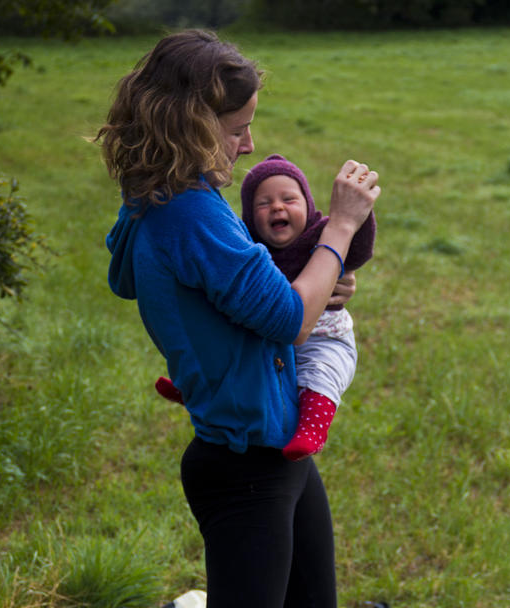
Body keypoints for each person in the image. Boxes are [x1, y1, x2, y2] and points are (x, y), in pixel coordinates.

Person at [97, 28, 380, 608]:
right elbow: (287, 318)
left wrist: (245, 275)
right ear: (188, 122)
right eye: (235, 128)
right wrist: (335, 227)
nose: (248, 146)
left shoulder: (156, 203)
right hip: (241, 466)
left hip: (278, 453)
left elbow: (127, 276)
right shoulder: (186, 214)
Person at [156, 154, 376, 461]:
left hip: (324, 334)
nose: (277, 207)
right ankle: (197, 389)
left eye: (289, 199)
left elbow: (359, 249)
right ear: (249, 217)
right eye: (263, 203)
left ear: (309, 207)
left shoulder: (321, 233)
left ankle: (312, 430)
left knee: (321, 372)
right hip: (276, 334)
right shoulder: (249, 248)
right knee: (233, 351)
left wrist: (358, 213)